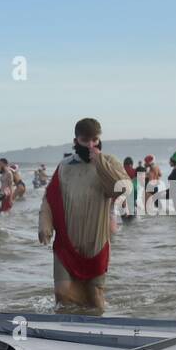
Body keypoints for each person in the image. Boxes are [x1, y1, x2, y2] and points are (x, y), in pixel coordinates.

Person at [38, 118, 128, 310]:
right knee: (62, 293)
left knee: (95, 294)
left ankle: (99, 327)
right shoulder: (64, 167)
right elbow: (50, 199)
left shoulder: (110, 162)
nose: (91, 145)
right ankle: (66, 331)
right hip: (66, 242)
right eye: (85, 140)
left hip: (96, 240)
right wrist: (44, 225)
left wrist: (100, 163)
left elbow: (121, 189)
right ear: (75, 140)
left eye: (95, 140)